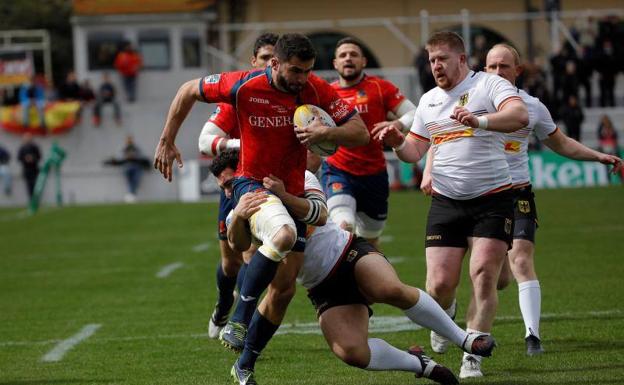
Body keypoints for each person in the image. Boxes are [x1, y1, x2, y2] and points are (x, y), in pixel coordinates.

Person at [152, 33, 368, 385]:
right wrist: (167, 138)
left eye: (308, 71)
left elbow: (359, 132)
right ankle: (237, 314)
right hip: (251, 183)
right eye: (296, 71)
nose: (302, 78)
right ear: (273, 63)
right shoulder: (242, 85)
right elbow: (189, 89)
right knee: (268, 241)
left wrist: (323, 132)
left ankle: (245, 364)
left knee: (284, 288)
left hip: (292, 192)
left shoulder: (314, 90)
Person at [223, 155, 498, 385]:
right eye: (225, 185)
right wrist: (239, 216)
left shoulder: (299, 177)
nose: (228, 190)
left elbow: (319, 214)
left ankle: (465, 338)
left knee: (389, 289)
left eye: (231, 181)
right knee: (352, 352)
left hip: (347, 254)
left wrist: (283, 196)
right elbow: (238, 243)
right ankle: (418, 363)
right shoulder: (243, 200)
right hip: (322, 285)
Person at [372, 31, 529, 379]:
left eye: (442, 58)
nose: (436, 66)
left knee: (484, 275)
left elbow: (519, 116)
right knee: (438, 286)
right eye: (431, 60)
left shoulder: (489, 86)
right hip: (446, 202)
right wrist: (397, 142)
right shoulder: (428, 101)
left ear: (462, 59)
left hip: (493, 199)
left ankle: (472, 354)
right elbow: (414, 152)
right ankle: (447, 313)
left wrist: (481, 120)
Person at [462, 43, 623, 357]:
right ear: (483, 70)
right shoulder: (470, 100)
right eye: (492, 66)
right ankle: (459, 310)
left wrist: (598, 155)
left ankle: (532, 336)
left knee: (521, 259)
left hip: (517, 192)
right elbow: (443, 141)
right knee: (498, 277)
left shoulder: (531, 107)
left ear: (517, 71)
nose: (497, 72)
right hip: (480, 197)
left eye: (504, 66)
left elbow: (561, 143)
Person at [198, 33, 278, 339]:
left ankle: (241, 324)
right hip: (237, 184)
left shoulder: (293, 96)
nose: (270, 64)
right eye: (265, 57)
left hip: (272, 184)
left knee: (251, 254)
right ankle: (223, 306)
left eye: (276, 59)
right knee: (230, 262)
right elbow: (205, 142)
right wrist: (244, 145)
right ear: (253, 62)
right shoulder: (237, 96)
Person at [322, 37, 417, 249]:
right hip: (338, 170)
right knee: (343, 226)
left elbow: (414, 113)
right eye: (343, 55)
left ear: (364, 61)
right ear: (335, 64)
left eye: (353, 54)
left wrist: (398, 124)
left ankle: (369, 277)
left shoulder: (380, 87)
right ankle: (344, 279)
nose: (348, 58)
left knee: (370, 239)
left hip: (374, 175)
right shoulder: (326, 94)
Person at [119, 136, 148, 203]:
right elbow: (121, 158)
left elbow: (140, 157)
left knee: (135, 181)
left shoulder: (135, 149)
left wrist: (133, 157)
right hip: (127, 167)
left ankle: (132, 195)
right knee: (130, 182)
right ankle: (131, 195)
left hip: (136, 167)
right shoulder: (125, 149)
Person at [597, 115, 622, 182]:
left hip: (613, 147)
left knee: (617, 164)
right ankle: (609, 180)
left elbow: (615, 138)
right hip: (606, 148)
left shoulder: (612, 128)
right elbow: (600, 138)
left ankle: (621, 178)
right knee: (607, 166)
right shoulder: (601, 129)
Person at [17, 133, 42, 199]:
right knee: (29, 185)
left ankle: (36, 199)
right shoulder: (22, 148)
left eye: (28, 137)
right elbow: (19, 158)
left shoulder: (35, 147)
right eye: (25, 137)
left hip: (35, 169)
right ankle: (31, 200)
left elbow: (39, 156)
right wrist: (25, 159)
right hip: (26, 169)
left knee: (36, 185)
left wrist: (33, 158)